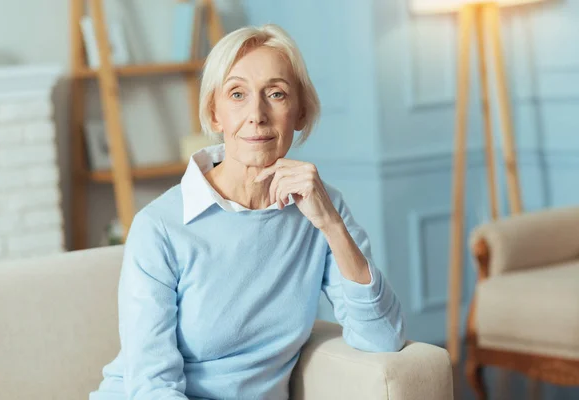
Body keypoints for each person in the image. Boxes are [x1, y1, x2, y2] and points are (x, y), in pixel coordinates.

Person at [89, 23, 405, 400]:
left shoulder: (322, 208)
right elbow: (152, 387)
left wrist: (332, 226)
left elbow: (382, 337)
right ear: (215, 113)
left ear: (300, 112)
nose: (257, 114)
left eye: (276, 94)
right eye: (237, 94)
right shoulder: (159, 227)